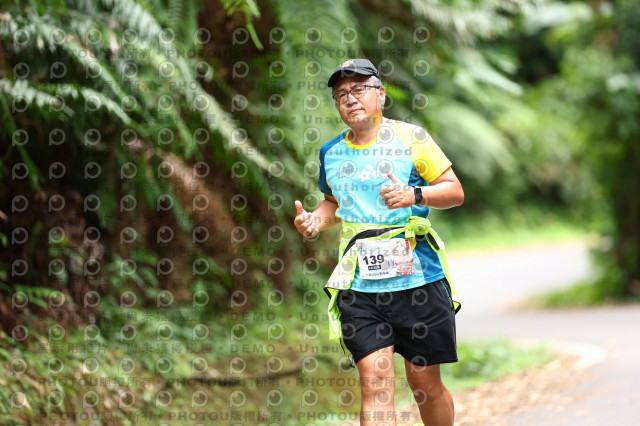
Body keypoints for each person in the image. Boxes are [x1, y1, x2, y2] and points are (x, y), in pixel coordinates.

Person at [294, 58, 464, 425]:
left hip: (418, 281)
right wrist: (314, 221)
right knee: (376, 385)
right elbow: (333, 203)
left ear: (381, 94)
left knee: (424, 385)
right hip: (360, 286)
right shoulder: (331, 153)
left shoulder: (413, 138)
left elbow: (454, 192)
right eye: (341, 94)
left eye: (359, 89)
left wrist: (414, 195)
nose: (350, 98)